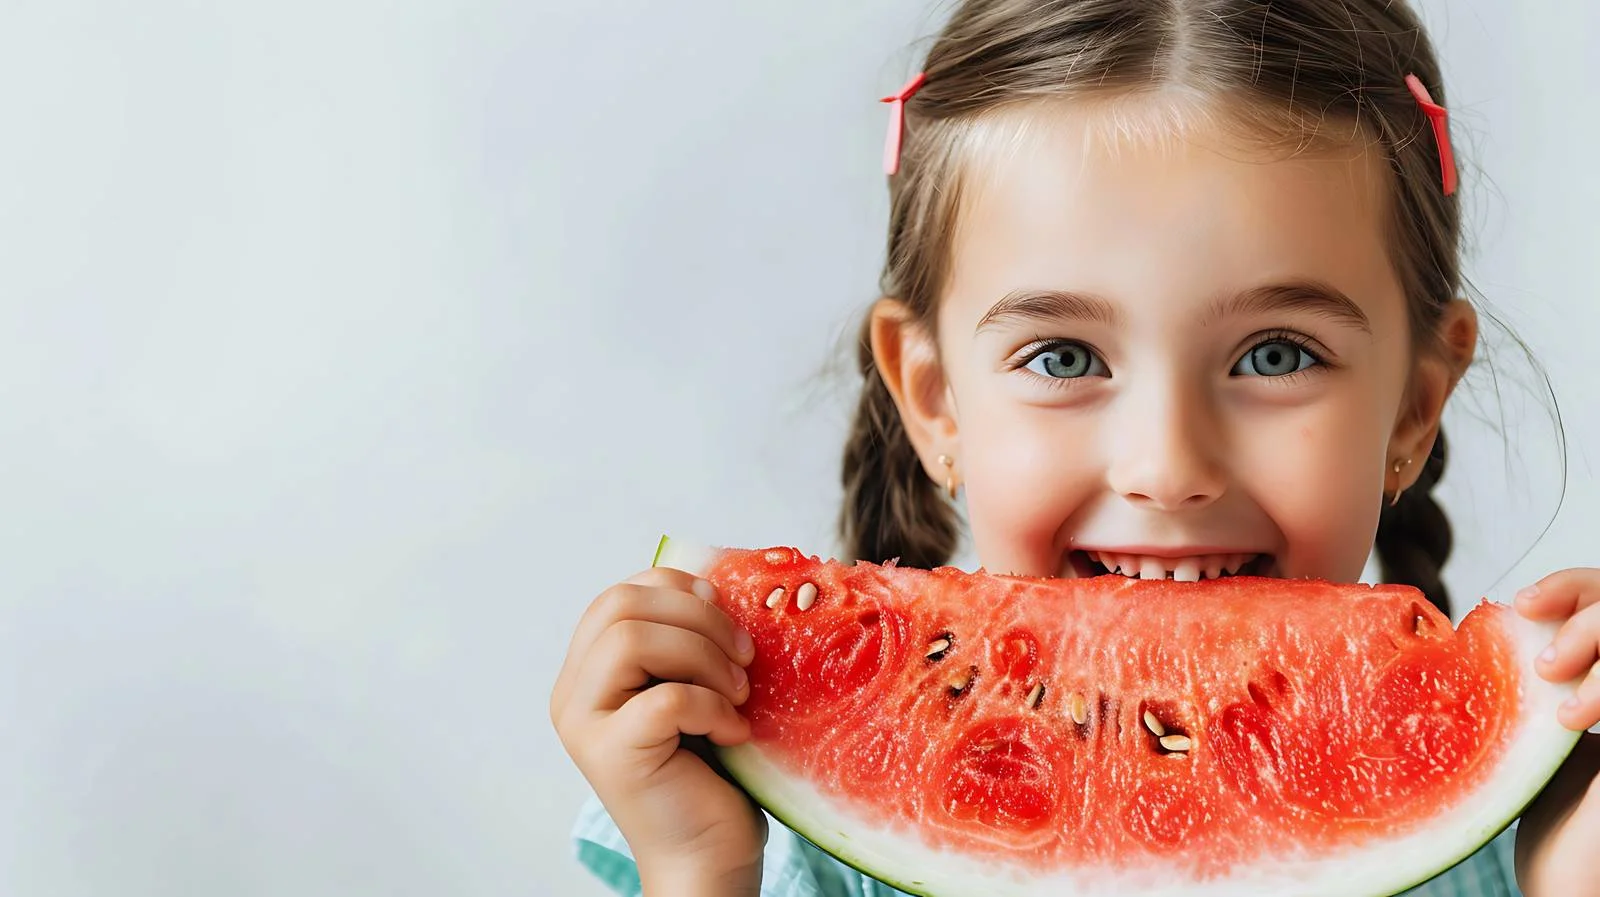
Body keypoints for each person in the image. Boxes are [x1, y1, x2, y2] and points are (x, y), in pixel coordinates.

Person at [549, 1, 1600, 894]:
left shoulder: (1526, 842)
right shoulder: (756, 841)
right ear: (933, 399)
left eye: (1275, 356)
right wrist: (694, 871)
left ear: (1415, 406)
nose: (1166, 468)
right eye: (1061, 359)